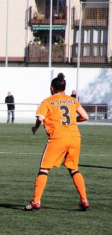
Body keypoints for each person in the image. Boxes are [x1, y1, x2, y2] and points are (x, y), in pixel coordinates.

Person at [24, 73, 90, 211]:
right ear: (64, 89)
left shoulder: (47, 101)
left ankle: (36, 201)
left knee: (43, 169)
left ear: (52, 88)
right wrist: (73, 121)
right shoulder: (72, 100)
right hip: (75, 137)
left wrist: (35, 127)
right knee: (74, 169)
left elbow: (40, 118)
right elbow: (85, 116)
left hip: (58, 137)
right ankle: (84, 200)